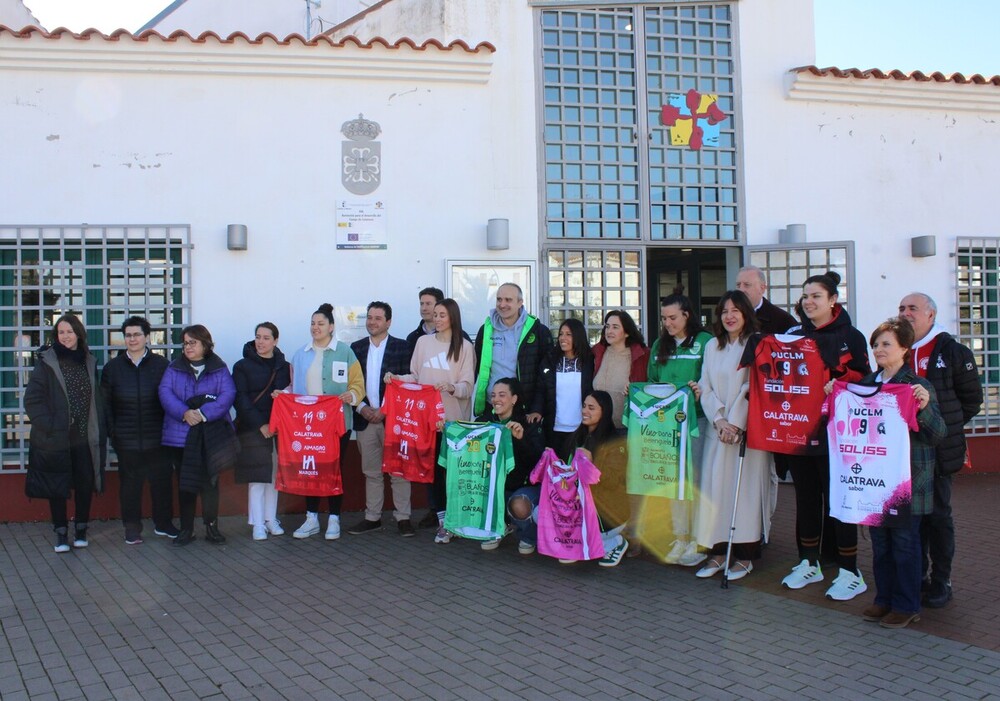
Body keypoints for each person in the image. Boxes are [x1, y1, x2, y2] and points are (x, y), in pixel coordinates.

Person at [781, 271, 871, 600]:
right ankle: (809, 562)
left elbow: (865, 378)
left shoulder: (852, 335)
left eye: (816, 296)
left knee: (840, 500)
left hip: (837, 434)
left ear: (832, 300)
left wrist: (841, 381)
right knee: (805, 498)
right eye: (805, 296)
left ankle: (850, 570)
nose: (808, 301)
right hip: (799, 431)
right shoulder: (791, 334)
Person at [898, 292, 982, 608]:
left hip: (938, 451)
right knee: (912, 517)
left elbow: (972, 400)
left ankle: (941, 579)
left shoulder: (954, 351)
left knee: (937, 516)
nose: (906, 313)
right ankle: (916, 575)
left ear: (931, 315)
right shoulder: (896, 349)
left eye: (913, 308)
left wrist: (939, 427)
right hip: (904, 453)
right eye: (902, 308)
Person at [861, 318, 946, 628]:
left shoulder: (917, 386)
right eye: (876, 344)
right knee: (881, 544)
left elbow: (937, 434)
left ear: (904, 350)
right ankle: (884, 598)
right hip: (875, 482)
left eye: (886, 344)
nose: (879, 350)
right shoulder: (868, 384)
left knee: (905, 545)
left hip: (908, 482)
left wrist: (923, 409)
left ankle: (906, 604)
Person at [693, 291, 772, 580]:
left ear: (745, 313)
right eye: (724, 310)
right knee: (717, 492)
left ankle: (745, 556)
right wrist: (719, 419)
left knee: (745, 494)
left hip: (746, 435)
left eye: (735, 310)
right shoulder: (713, 345)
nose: (729, 316)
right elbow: (705, 385)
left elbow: (753, 386)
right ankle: (717, 552)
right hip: (720, 430)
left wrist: (736, 423)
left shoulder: (758, 343)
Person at [389, 298, 475, 543]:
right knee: (433, 474)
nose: (436, 319)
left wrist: (451, 387)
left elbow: (467, 386)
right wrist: (396, 378)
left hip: (453, 423)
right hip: (425, 422)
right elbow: (415, 377)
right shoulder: (422, 342)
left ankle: (456, 521)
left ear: (452, 318)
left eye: (442, 315)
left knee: (452, 473)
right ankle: (443, 522)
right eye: (435, 314)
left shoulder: (465, 347)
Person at [24, 314, 105, 553]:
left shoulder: (89, 361)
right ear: (56, 336)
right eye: (61, 332)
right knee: (56, 484)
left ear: (78, 333)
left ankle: (81, 529)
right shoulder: (46, 362)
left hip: (83, 435)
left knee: (84, 482)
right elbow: (33, 400)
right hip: (56, 437)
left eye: (70, 331)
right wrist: (50, 425)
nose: (66, 336)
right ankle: (60, 533)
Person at [288, 303, 365, 541]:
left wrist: (350, 396)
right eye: (312, 323)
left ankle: (334, 519)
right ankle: (311, 518)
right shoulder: (300, 354)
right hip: (308, 427)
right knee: (310, 469)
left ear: (332, 327)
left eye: (321, 323)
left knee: (334, 471)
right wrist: (282, 394)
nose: (315, 328)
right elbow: (293, 388)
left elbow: (358, 385)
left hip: (337, 423)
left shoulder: (345, 352)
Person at [647, 294, 712, 566]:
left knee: (695, 481)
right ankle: (681, 536)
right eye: (664, 318)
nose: (668, 323)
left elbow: (711, 379)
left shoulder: (705, 341)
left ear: (687, 314)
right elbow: (652, 380)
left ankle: (699, 539)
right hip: (667, 425)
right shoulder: (660, 345)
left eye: (673, 317)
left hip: (697, 422)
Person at [159, 324, 237, 546]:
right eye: (185, 343)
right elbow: (164, 393)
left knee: (210, 483)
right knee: (185, 484)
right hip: (180, 437)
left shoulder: (219, 368)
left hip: (209, 436)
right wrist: (184, 413)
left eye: (193, 342)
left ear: (205, 344)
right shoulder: (174, 368)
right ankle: (186, 529)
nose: (188, 347)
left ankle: (212, 527)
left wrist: (203, 414)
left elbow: (228, 394)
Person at [100, 315, 176, 545]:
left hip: (158, 437)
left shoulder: (162, 365)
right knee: (130, 487)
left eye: (137, 334)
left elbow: (170, 399)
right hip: (127, 439)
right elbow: (106, 405)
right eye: (128, 335)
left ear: (146, 337)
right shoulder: (112, 368)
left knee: (162, 483)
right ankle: (131, 528)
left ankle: (163, 524)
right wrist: (114, 433)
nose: (132, 339)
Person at [348, 301, 416, 537]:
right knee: (371, 471)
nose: (372, 322)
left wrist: (386, 409)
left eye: (378, 318)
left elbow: (408, 383)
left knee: (398, 471)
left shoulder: (403, 347)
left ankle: (403, 518)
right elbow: (350, 385)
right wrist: (362, 408)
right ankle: (372, 517)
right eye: (369, 317)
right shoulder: (354, 349)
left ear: (388, 322)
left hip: (394, 420)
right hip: (365, 419)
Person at [232, 322, 291, 541]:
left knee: (274, 476)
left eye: (266, 338)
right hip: (252, 429)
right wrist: (261, 424)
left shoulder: (284, 367)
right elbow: (240, 398)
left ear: (275, 341)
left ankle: (270, 519)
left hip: (278, 429)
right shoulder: (242, 366)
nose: (261, 342)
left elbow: (290, 394)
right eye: (258, 337)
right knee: (257, 478)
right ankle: (257, 523)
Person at [475, 378, 545, 552]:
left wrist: (521, 440)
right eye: (493, 395)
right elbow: (466, 444)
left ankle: (529, 535)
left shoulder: (528, 423)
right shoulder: (484, 422)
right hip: (496, 486)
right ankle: (499, 527)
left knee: (519, 503)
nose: (496, 399)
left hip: (523, 487)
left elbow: (537, 462)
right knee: (475, 490)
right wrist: (446, 428)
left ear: (514, 399)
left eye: (502, 395)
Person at [565, 390, 629, 566]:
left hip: (608, 512)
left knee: (574, 514)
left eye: (591, 407)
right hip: (583, 503)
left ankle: (614, 543)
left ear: (604, 411)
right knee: (541, 512)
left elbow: (613, 482)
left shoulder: (614, 442)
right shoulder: (579, 436)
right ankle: (578, 542)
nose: (585, 411)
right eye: (584, 406)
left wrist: (591, 465)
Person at [473, 282, 552, 419]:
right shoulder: (486, 330)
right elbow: (476, 367)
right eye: (499, 299)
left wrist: (537, 408)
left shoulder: (538, 331)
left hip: (524, 409)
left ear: (520, 302)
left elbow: (545, 376)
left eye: (508, 300)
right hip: (492, 406)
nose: (502, 305)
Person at [533, 318, 594, 450]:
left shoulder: (590, 361)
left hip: (581, 428)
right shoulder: (550, 360)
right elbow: (540, 389)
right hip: (554, 428)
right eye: (561, 334)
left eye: (568, 334)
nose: (562, 338)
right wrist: (537, 410)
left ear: (578, 336)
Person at [592, 310, 648, 428]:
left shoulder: (642, 356)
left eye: (615, 327)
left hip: (629, 429)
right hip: (599, 429)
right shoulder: (597, 352)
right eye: (607, 327)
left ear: (627, 332)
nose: (609, 331)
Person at [735, 265, 797, 334]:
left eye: (747, 285)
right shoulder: (727, 317)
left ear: (762, 288)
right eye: (738, 285)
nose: (741, 290)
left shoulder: (783, 321)